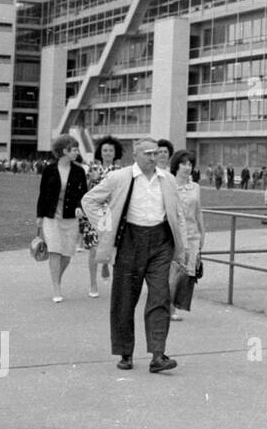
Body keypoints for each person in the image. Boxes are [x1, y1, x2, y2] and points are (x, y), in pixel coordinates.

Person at [80, 137, 187, 373]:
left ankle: (158, 355)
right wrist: (106, 226)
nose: (154, 157)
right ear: (135, 155)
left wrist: (183, 246)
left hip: (161, 242)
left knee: (160, 296)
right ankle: (125, 353)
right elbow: (89, 201)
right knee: (124, 299)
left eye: (156, 153)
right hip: (130, 240)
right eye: (148, 153)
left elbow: (178, 214)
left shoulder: (167, 180)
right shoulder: (120, 177)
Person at [35, 134, 89, 304]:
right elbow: (42, 194)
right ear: (64, 151)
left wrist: (81, 207)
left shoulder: (79, 170)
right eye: (74, 149)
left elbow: (84, 194)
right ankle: (56, 287)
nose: (76, 152)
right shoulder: (49, 170)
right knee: (55, 250)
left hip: (70, 216)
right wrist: (39, 216)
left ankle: (56, 278)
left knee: (67, 254)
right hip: (52, 216)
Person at [82, 133, 125, 297]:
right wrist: (91, 179)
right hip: (94, 213)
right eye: (105, 150)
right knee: (93, 249)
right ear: (100, 152)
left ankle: (111, 274)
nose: (107, 153)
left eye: (110, 150)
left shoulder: (120, 171)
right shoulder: (91, 169)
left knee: (113, 248)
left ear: (116, 153)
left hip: (112, 213)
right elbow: (85, 192)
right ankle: (93, 284)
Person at [167, 150, 205, 323]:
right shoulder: (169, 185)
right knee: (174, 272)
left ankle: (174, 304)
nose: (187, 167)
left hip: (192, 234)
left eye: (190, 164)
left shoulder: (195, 187)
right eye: (183, 163)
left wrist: (202, 233)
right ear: (176, 165)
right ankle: (170, 308)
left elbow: (198, 212)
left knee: (187, 273)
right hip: (174, 235)